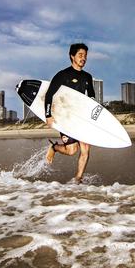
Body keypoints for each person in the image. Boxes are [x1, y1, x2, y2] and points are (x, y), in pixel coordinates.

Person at [44, 43, 96, 184]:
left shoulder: (87, 77)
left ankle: (78, 179)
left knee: (85, 149)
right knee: (72, 150)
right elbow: (49, 95)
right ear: (72, 56)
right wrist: (48, 115)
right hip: (65, 117)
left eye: (85, 55)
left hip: (80, 117)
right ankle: (54, 147)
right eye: (80, 55)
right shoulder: (63, 75)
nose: (83, 58)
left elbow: (91, 98)